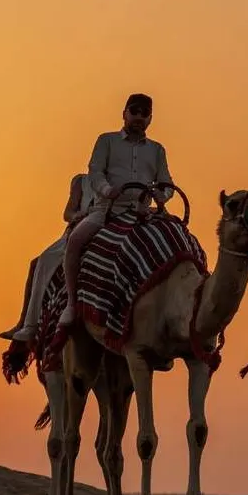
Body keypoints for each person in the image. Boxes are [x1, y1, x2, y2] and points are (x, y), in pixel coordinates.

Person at [58, 92, 175, 327]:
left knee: (177, 240)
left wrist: (161, 196)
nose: (139, 117)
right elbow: (95, 172)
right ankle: (71, 303)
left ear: (150, 118)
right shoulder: (106, 141)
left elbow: (166, 183)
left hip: (141, 212)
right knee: (75, 242)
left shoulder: (157, 150)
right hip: (107, 210)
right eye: (134, 111)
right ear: (124, 114)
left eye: (144, 113)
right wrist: (107, 189)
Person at [0, 172, 94, 341]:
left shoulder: (119, 179)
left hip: (103, 229)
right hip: (77, 231)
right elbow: (68, 213)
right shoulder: (82, 182)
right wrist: (77, 216)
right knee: (39, 263)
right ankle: (27, 323)